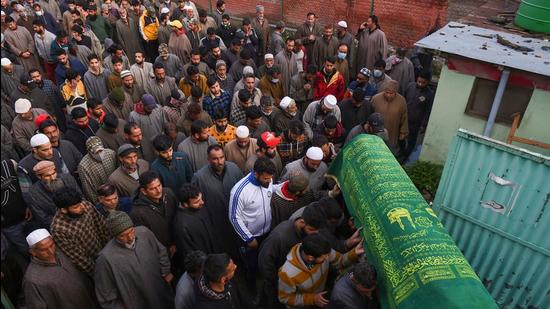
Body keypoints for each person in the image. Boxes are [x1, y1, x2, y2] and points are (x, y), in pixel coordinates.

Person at [94, 211, 175, 309]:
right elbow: (105, 293)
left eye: (131, 231)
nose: (130, 237)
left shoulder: (144, 232)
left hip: (160, 292)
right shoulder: (105, 259)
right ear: (115, 236)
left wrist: (166, 272)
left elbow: (161, 251)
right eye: (123, 235)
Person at [258, 205, 325, 309]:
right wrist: (279, 282)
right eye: (312, 230)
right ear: (302, 222)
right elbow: (265, 263)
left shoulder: (307, 233)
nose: (315, 234)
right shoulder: (279, 237)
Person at [278, 234, 363, 308]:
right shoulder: (287, 273)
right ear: (310, 258)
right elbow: (285, 298)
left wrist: (354, 253)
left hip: (320, 299)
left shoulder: (323, 250)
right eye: (324, 257)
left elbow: (340, 260)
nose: (327, 258)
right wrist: (313, 299)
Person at [23, 229, 99, 309]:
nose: (50, 251)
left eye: (51, 245)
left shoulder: (63, 251)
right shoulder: (32, 280)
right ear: (33, 252)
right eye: (43, 250)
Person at [229, 157, 276, 280]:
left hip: (267, 232)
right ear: (256, 173)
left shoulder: (268, 179)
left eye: (270, 178)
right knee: (252, 265)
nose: (269, 181)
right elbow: (234, 217)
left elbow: (272, 189)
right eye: (266, 178)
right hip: (252, 238)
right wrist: (249, 239)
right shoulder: (239, 191)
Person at [192, 144, 243, 256]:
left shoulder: (234, 168)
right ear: (208, 159)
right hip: (216, 225)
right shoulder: (199, 178)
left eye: (221, 157)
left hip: (237, 221)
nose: (219, 162)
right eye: (215, 158)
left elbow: (243, 192)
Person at [50, 188, 110, 274]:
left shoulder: (86, 205)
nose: (81, 207)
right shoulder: (58, 229)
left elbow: (103, 226)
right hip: (92, 264)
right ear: (64, 210)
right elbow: (78, 258)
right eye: (76, 207)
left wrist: (110, 250)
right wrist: (98, 272)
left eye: (80, 203)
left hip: (106, 250)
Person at [130, 170, 177, 251]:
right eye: (153, 189)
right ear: (143, 191)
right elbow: (145, 240)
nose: (159, 190)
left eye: (159, 185)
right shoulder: (137, 213)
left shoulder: (169, 193)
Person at [28, 160, 80, 228]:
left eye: (53, 173)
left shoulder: (68, 179)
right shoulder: (34, 193)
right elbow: (43, 218)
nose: (52, 178)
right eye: (47, 176)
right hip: (60, 227)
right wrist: (66, 223)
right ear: (39, 177)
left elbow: (81, 198)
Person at [173, 185, 216, 265]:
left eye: (201, 199)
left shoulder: (199, 208)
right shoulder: (181, 225)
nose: (202, 202)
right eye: (196, 202)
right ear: (185, 204)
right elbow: (189, 253)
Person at [78, 136, 118, 204]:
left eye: (101, 151)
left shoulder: (111, 153)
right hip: (103, 199)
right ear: (89, 152)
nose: (99, 154)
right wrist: (98, 203)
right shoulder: (83, 166)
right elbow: (89, 189)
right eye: (96, 152)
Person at [371, 80, 408, 151]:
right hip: (376, 131)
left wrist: (403, 132)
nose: (388, 95)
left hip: (393, 131)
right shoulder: (376, 98)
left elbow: (404, 117)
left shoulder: (402, 101)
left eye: (391, 93)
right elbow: (370, 114)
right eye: (387, 92)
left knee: (389, 149)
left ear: (396, 92)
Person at [404, 71, 433, 157]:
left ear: (427, 82)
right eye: (419, 81)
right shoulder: (410, 86)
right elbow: (403, 99)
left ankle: (406, 157)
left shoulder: (429, 94)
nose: (420, 84)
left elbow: (428, 110)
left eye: (423, 83)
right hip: (404, 118)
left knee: (411, 141)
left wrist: (424, 125)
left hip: (416, 123)